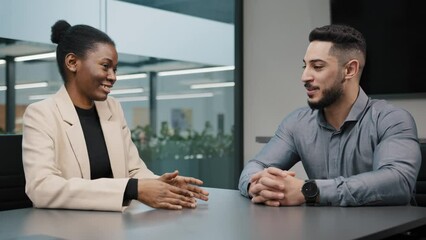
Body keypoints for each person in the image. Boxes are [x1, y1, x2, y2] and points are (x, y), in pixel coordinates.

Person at [22, 20, 209, 212]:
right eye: (105, 66)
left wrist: (161, 183)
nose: (113, 77)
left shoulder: (112, 108)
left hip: (116, 225)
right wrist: (131, 189)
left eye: (115, 69)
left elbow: (134, 169)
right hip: (67, 228)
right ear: (72, 62)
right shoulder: (42, 113)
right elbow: (42, 188)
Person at [238, 24, 421, 207]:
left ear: (350, 70)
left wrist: (309, 190)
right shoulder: (297, 123)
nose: (304, 76)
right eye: (305, 66)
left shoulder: (391, 119)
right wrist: (256, 185)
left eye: (317, 67)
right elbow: (255, 166)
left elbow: (398, 182)